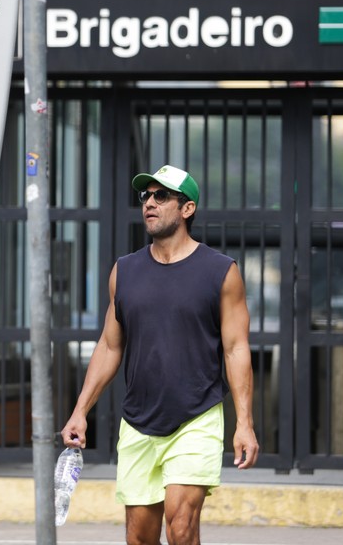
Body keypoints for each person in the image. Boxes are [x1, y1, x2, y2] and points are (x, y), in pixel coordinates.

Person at [60, 164, 259, 545]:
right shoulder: (125, 270)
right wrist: (80, 410)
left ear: (187, 209)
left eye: (161, 196)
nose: (149, 203)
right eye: (145, 196)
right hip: (137, 422)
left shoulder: (220, 272)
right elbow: (109, 344)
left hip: (195, 418)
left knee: (181, 527)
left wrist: (244, 423)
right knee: (139, 537)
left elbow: (236, 348)